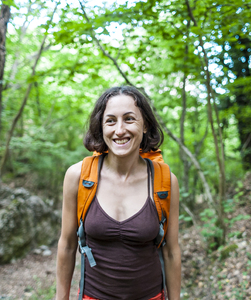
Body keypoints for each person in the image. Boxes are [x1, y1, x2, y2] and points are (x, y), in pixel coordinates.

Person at [55, 86, 181, 300]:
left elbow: (171, 251)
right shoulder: (78, 176)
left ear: (145, 125)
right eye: (111, 121)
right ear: (101, 127)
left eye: (129, 119)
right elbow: (67, 245)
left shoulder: (165, 181)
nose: (119, 130)